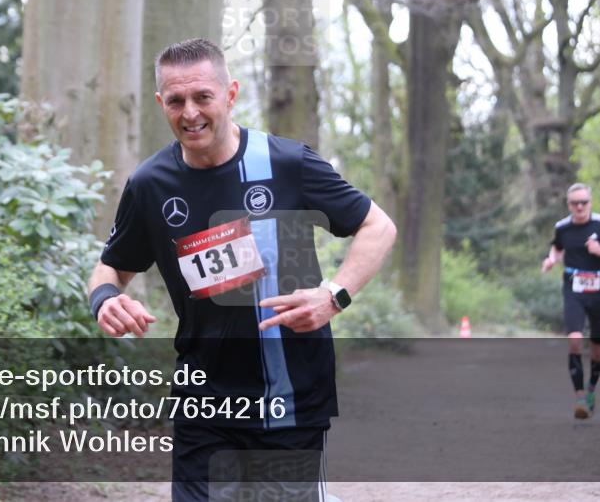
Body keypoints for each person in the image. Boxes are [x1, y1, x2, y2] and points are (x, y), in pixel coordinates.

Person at [86, 38, 396, 501]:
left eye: (202, 97)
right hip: (203, 402)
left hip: (290, 399)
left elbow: (378, 226)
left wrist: (333, 295)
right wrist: (105, 299)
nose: (190, 113)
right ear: (160, 103)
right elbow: (110, 268)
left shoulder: (285, 163)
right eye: (176, 101)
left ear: (230, 94)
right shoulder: (150, 185)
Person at [541, 183, 600, 419]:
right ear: (568, 205)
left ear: (590, 202)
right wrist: (551, 260)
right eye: (575, 203)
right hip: (574, 291)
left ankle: (591, 390)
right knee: (575, 340)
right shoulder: (562, 227)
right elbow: (557, 248)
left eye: (584, 202)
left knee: (597, 349)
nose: (579, 207)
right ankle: (579, 397)